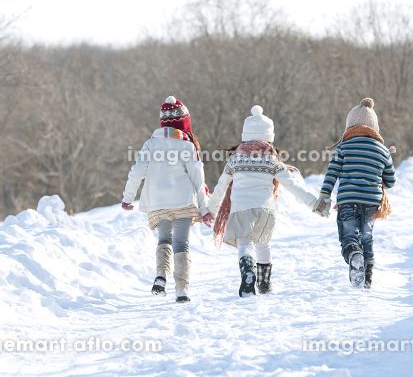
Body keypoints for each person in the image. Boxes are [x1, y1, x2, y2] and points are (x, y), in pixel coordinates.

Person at [208, 105, 328, 297]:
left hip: (241, 208)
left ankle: (247, 271)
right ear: (269, 137)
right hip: (266, 209)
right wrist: (314, 204)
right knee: (263, 243)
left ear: (245, 135)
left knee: (245, 243)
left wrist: (211, 210)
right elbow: (293, 186)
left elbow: (221, 187)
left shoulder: (235, 160)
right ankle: (264, 284)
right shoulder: (272, 161)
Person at [121, 96, 212, 303]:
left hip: (157, 202)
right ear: (183, 121)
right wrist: (204, 208)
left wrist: (128, 197)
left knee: (164, 240)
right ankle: (182, 290)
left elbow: (137, 172)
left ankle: (161, 275)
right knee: (182, 243)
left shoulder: (151, 144)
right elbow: (198, 180)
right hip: (183, 202)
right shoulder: (188, 146)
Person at [314, 97, 396, 289]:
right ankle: (366, 278)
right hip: (372, 202)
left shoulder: (343, 147)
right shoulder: (383, 150)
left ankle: (353, 255)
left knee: (349, 236)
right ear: (374, 126)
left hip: (348, 200)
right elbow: (391, 181)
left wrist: (325, 195)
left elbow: (331, 174)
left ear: (349, 125)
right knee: (367, 237)